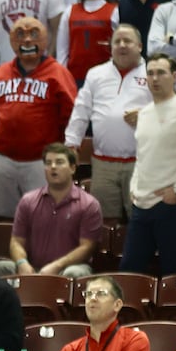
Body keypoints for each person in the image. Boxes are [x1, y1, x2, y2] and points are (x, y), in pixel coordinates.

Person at [119, 52, 176, 275]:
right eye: (150, 73)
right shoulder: (145, 114)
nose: (155, 78)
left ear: (174, 75)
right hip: (142, 204)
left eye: (161, 73)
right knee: (129, 271)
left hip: (173, 206)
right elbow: (142, 158)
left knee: (173, 271)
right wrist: (134, 188)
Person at [0, 17, 77, 219]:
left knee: (42, 217)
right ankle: (3, 252)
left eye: (33, 34)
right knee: (1, 217)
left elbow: (71, 115)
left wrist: (59, 148)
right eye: (20, 34)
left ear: (44, 39)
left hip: (40, 160)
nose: (27, 40)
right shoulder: (0, 74)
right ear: (11, 40)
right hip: (2, 159)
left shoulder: (58, 73)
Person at [65, 24, 149, 221]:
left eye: (127, 41)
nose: (121, 46)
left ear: (139, 45)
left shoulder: (153, 74)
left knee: (139, 221)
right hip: (103, 164)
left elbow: (168, 109)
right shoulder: (96, 74)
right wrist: (71, 142)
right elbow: (81, 110)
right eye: (117, 42)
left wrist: (146, 115)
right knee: (104, 224)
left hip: (141, 164)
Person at [0, 143, 103, 279]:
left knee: (75, 273)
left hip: (67, 268)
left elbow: (87, 248)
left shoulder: (89, 204)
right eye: (48, 163)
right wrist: (22, 263)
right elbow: (16, 241)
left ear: (73, 168)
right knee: (0, 268)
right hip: (32, 267)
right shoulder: (28, 201)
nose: (53, 167)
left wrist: (57, 265)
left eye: (59, 162)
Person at [51, 276, 152, 351]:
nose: (92, 298)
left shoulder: (134, 340)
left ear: (117, 305)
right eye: (88, 294)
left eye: (101, 293)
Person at [55, 0, 119, 83]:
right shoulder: (69, 11)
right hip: (74, 76)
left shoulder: (114, 11)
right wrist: (62, 75)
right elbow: (62, 49)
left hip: (106, 77)